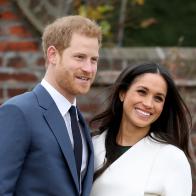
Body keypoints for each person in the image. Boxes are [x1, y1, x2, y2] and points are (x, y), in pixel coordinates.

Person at [0, 15, 102, 196]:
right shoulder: (19, 112)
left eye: (93, 59)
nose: (89, 68)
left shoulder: (79, 122)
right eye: (80, 57)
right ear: (53, 54)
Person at [90, 63, 192, 196]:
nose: (148, 104)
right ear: (122, 93)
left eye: (158, 98)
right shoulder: (92, 145)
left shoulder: (171, 157)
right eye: (142, 92)